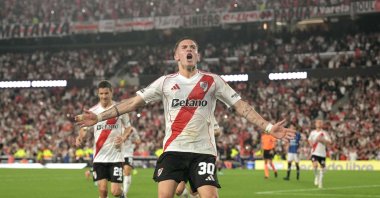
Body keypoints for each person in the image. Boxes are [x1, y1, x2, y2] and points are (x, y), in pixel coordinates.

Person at [75, 37, 296, 198]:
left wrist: (267, 127)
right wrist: (99, 117)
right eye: (184, 47)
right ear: (176, 56)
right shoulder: (165, 82)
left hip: (203, 152)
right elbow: (132, 103)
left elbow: (241, 106)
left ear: (197, 55)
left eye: (193, 47)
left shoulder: (213, 81)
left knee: (209, 197)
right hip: (173, 150)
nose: (189, 49)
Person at [75, 80, 130, 198]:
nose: (104, 96)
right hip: (99, 156)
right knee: (103, 191)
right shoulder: (93, 111)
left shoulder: (120, 109)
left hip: (115, 155)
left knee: (115, 192)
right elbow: (83, 129)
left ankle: (122, 194)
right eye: (101, 94)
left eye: (106, 93)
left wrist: (123, 137)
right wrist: (80, 137)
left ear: (111, 92)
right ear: (98, 94)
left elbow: (129, 128)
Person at [308, 119, 332, 189]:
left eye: (320, 122)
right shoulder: (312, 132)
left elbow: (330, 142)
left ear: (322, 124)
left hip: (322, 154)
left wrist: (322, 140)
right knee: (315, 165)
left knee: (322, 168)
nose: (319, 123)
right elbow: (309, 139)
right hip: (314, 152)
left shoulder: (324, 133)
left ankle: (320, 182)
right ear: (315, 124)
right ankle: (316, 176)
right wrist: (310, 144)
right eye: (318, 122)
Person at [122, 126, 141, 198]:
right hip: (117, 153)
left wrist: (133, 141)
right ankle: (120, 189)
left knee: (127, 171)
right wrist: (127, 135)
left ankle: (124, 193)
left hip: (128, 153)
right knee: (120, 173)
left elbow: (138, 141)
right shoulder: (117, 127)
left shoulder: (133, 129)